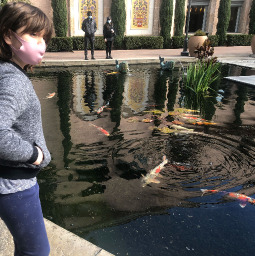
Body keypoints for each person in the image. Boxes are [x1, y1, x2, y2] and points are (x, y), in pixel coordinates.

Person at [0, 2, 53, 256]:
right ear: (8, 35)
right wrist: (35, 155)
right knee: (36, 251)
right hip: (14, 185)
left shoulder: (4, 72)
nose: (41, 44)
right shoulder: (14, 80)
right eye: (34, 34)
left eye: (44, 38)